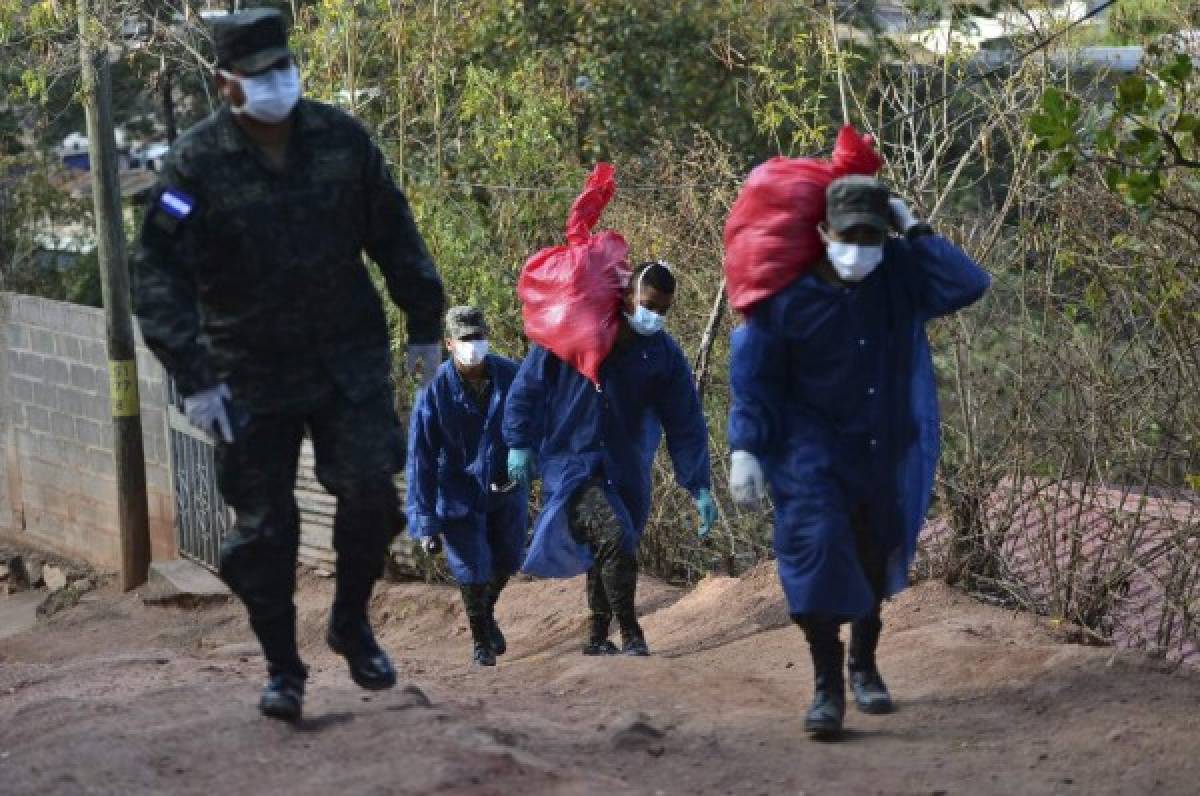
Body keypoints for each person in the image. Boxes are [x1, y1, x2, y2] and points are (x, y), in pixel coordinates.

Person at [132, 9, 445, 723]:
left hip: (347, 359)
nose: (279, 82)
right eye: (260, 73)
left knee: (372, 495)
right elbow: (156, 276)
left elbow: (394, 231)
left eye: (284, 67)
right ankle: (282, 669)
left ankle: (351, 624)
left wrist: (424, 325)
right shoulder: (192, 166)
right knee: (264, 531)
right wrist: (195, 374)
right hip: (247, 375)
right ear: (227, 85)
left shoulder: (342, 140)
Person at [727, 175, 990, 738]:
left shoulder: (896, 277)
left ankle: (864, 662)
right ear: (824, 232)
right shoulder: (788, 299)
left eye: (873, 236)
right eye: (850, 236)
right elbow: (755, 379)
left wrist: (913, 225)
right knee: (817, 549)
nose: (860, 249)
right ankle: (827, 682)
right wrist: (745, 446)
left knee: (874, 558)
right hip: (809, 453)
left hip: (881, 448)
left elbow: (968, 284)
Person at [503, 261, 718, 657]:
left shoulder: (662, 354)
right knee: (615, 536)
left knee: (613, 540)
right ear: (626, 295)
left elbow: (684, 420)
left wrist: (698, 483)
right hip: (570, 463)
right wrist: (519, 442)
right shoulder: (572, 329)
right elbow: (527, 388)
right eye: (649, 304)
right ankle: (631, 632)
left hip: (625, 467)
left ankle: (597, 636)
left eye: (664, 310)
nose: (655, 316)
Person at [406, 306, 526, 667]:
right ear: (449, 343)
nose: (474, 345)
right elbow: (420, 458)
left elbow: (536, 422)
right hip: (457, 489)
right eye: (466, 339)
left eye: (479, 337)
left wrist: (530, 454)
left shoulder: (511, 376)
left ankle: (486, 616)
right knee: (472, 566)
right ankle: (480, 642)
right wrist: (425, 522)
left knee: (508, 557)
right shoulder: (433, 388)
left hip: (505, 485)